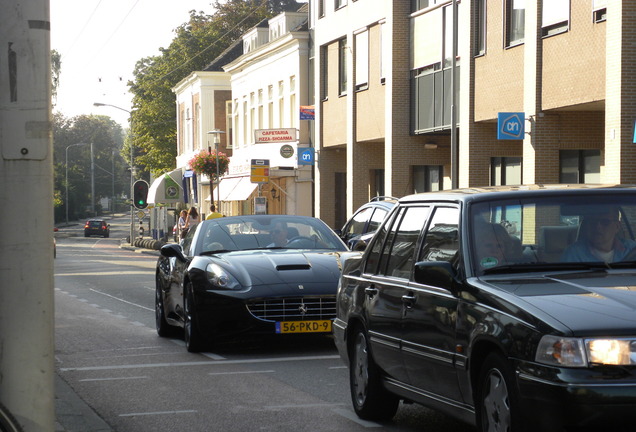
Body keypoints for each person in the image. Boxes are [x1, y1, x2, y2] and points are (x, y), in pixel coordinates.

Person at [562, 208, 636, 263]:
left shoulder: (631, 249)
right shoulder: (573, 253)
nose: (598, 226)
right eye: (593, 221)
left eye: (605, 222)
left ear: (617, 226)